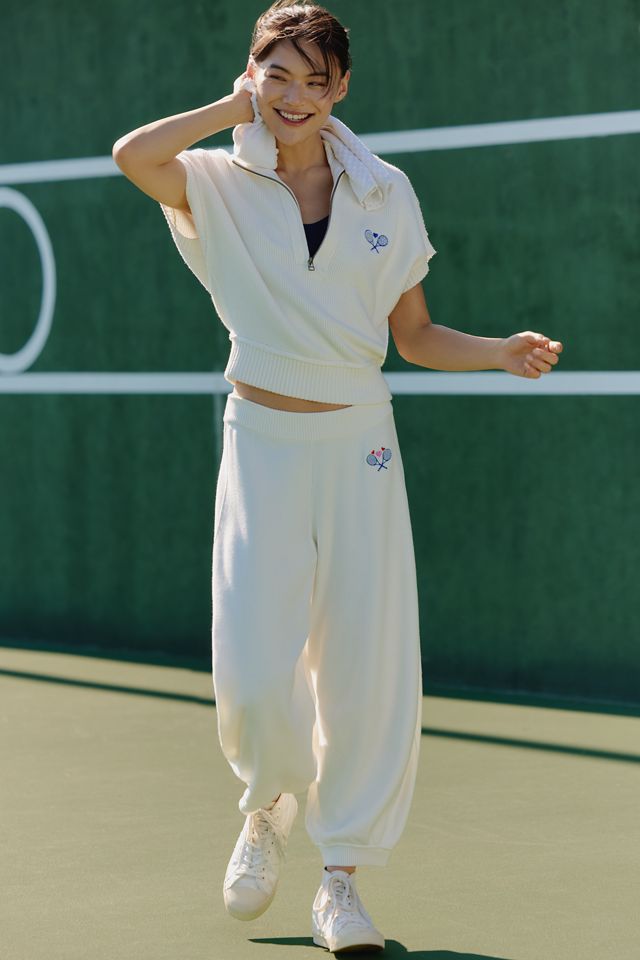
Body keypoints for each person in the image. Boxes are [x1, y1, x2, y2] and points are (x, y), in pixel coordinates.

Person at [112, 1, 563, 952]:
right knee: (252, 669)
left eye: (315, 82)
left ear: (342, 89)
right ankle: (269, 803)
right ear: (252, 73)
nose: (296, 98)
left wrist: (497, 351)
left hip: (362, 445)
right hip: (261, 439)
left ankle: (342, 882)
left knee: (364, 664)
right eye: (278, 75)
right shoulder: (213, 179)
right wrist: (230, 106)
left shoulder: (385, 191)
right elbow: (133, 156)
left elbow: (414, 335)